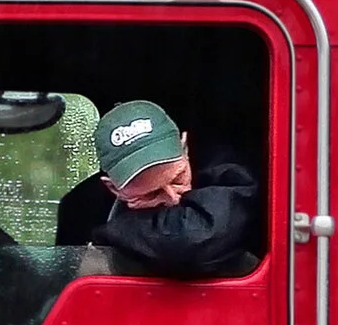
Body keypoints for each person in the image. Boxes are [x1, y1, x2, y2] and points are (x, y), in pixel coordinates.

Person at [54, 100, 262, 276]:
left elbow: (195, 239)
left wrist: (112, 234)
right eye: (152, 193)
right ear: (114, 188)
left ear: (185, 147)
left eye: (179, 178)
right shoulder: (82, 208)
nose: (172, 198)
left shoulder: (226, 173)